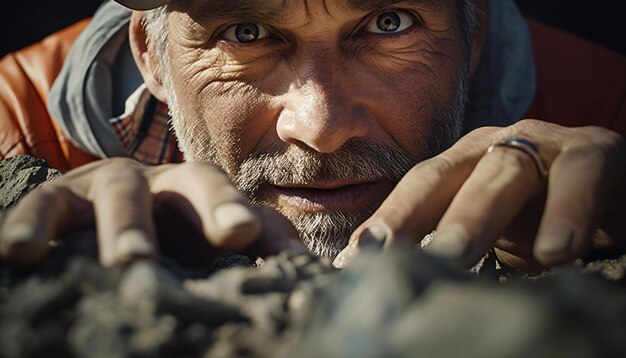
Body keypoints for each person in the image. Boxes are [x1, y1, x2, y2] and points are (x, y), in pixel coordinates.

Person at [0, 0, 624, 273]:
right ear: (152, 57)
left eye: (388, 23)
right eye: (245, 32)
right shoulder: (13, 129)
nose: (322, 127)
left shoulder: (602, 116)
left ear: (473, 32)